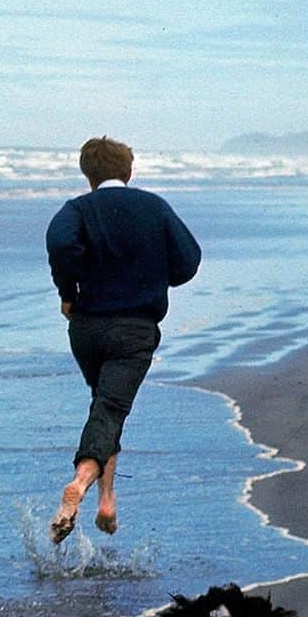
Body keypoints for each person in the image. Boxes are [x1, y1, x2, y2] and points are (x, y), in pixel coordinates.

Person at [45, 136, 201, 543]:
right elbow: (188, 260)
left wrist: (69, 290)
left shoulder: (75, 210)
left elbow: (62, 244)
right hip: (134, 329)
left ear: (88, 174)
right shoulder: (153, 206)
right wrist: (150, 275)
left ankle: (107, 500)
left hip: (86, 328)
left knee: (106, 405)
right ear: (129, 172)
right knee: (111, 409)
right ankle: (79, 484)